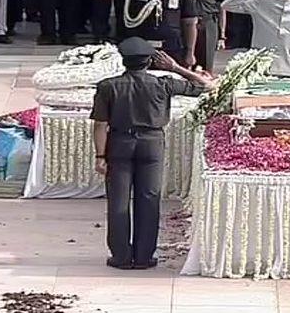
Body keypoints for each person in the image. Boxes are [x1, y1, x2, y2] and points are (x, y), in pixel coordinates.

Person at [91, 37, 212, 270]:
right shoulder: (164, 83)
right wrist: (176, 68)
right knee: (149, 199)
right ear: (150, 62)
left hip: (119, 142)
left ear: (123, 61)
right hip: (152, 143)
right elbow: (206, 86)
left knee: (118, 201)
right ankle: (144, 256)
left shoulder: (108, 86)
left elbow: (99, 124)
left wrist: (100, 156)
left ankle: (121, 256)